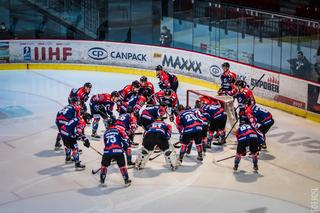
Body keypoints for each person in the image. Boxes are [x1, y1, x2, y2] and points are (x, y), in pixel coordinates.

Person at [100, 117, 131, 186]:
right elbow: (126, 140)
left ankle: (102, 180)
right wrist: (124, 148)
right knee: (122, 166)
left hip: (107, 152)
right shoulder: (119, 129)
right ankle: (126, 180)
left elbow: (106, 143)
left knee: (104, 166)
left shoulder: (106, 132)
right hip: (118, 151)